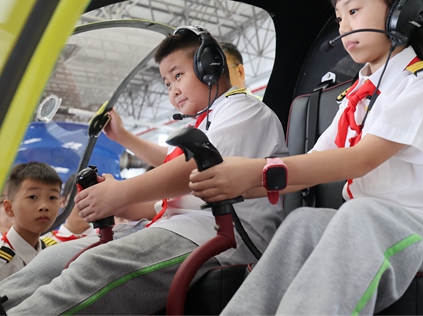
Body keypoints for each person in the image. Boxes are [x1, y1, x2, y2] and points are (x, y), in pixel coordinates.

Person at [188, 0, 423, 315]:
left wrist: (256, 172)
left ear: (405, 11)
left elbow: (362, 159)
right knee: (302, 223)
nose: (344, 26)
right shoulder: (357, 96)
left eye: (353, 11)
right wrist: (240, 184)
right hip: (376, 225)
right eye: (338, 17)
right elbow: (312, 165)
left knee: (359, 215)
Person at [0, 27, 287, 315]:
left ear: (209, 67)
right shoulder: (203, 123)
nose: (172, 89)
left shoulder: (243, 109)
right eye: (166, 83)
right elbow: (169, 173)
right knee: (56, 257)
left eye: (177, 75)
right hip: (177, 227)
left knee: (95, 265)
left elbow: (194, 165)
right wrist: (117, 185)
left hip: (218, 234)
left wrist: (119, 193)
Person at [0, 162, 62, 281]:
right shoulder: (3, 262)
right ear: (9, 208)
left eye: (52, 197)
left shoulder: (54, 253)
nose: (44, 206)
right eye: (32, 197)